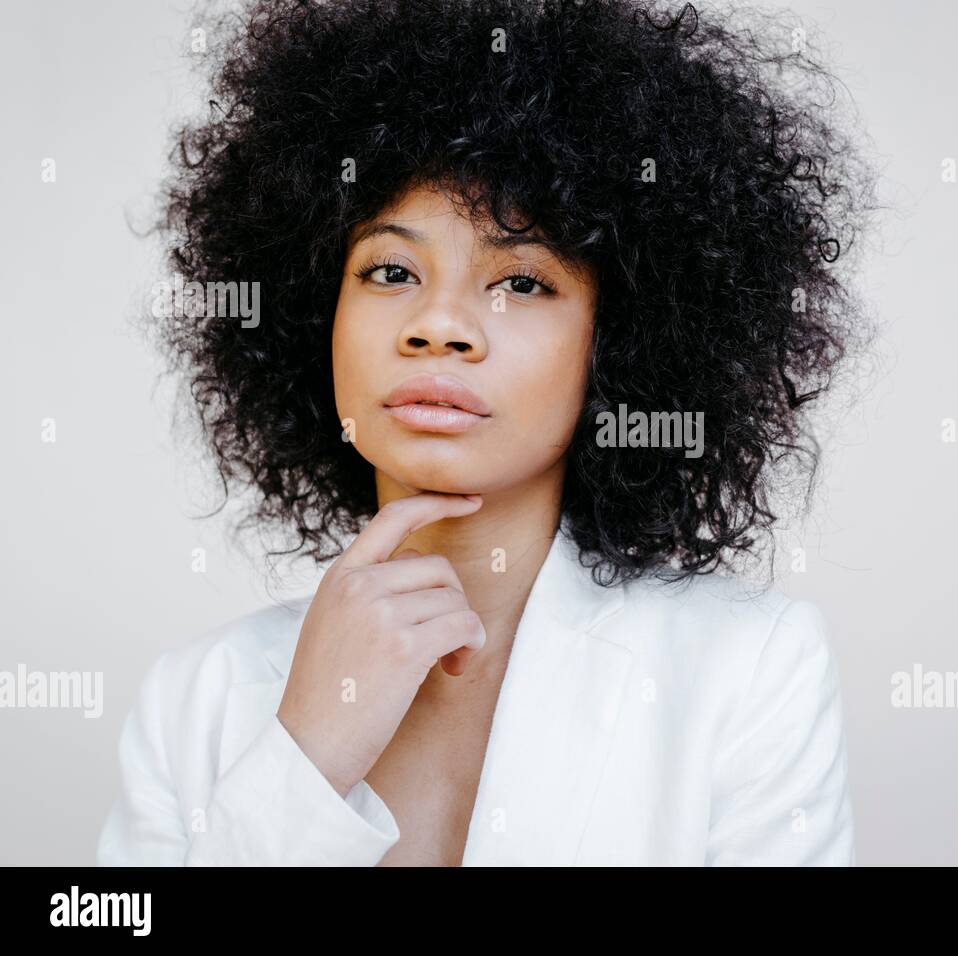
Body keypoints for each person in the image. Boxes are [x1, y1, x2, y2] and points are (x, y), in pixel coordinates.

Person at [98, 0, 875, 866]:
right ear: (316, 312)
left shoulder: (748, 671)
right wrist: (306, 757)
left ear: (619, 341)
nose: (440, 325)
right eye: (391, 270)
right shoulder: (193, 701)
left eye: (522, 281)